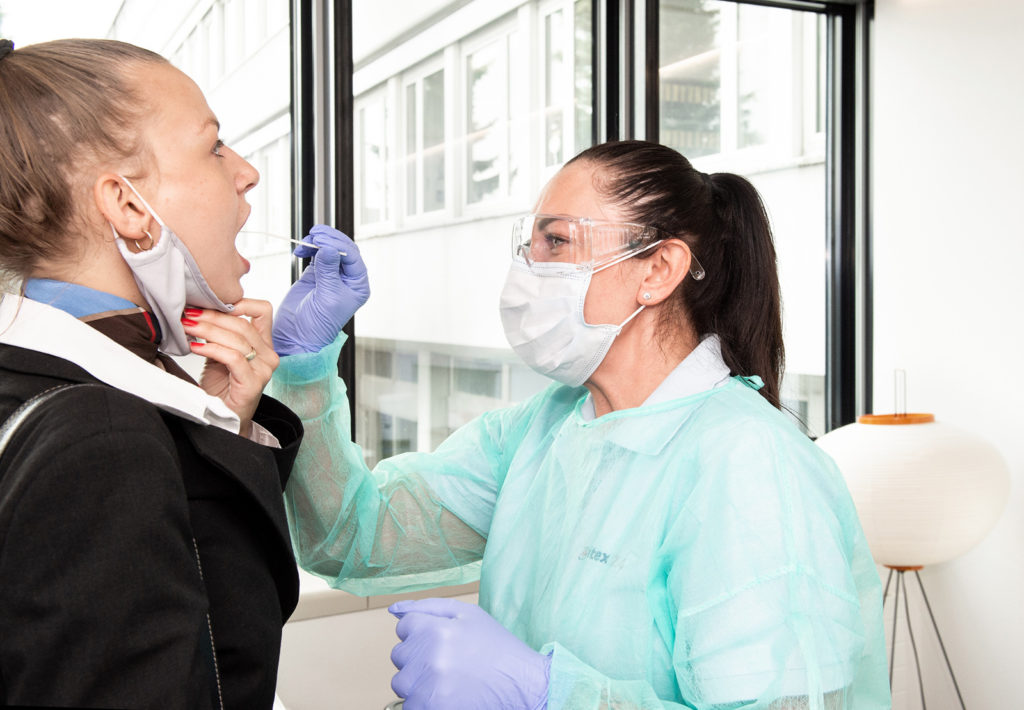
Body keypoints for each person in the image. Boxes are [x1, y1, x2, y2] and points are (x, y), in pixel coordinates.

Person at [268, 140, 890, 709]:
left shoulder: (749, 463)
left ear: (658, 270)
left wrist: (549, 695)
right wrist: (303, 371)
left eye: (557, 243)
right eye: (529, 247)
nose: (528, 271)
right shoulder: (543, 432)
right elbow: (355, 535)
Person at [0, 39, 302, 708]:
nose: (246, 173)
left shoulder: (53, 387)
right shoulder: (100, 442)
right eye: (215, 147)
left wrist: (229, 423)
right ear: (128, 206)